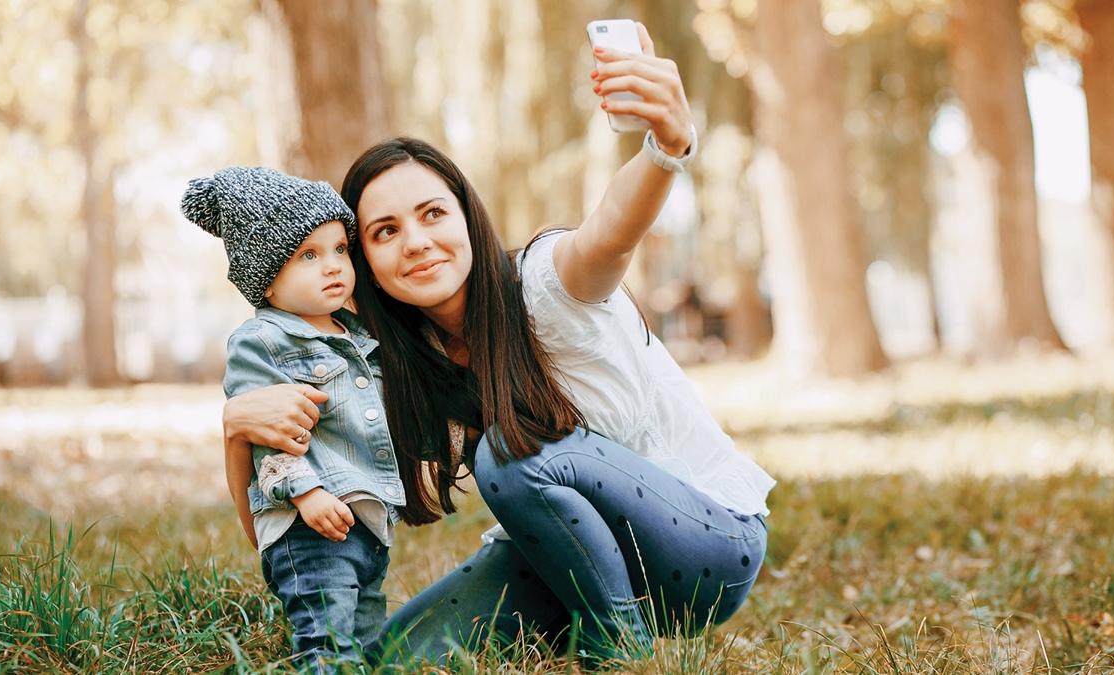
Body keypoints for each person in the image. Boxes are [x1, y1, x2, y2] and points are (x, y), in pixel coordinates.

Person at [221, 23, 775, 666]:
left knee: (512, 455)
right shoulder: (393, 365)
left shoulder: (545, 281)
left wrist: (666, 147)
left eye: (432, 214)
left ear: (466, 216)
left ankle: (620, 651)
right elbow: (273, 517)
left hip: (708, 546)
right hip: (568, 557)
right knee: (392, 658)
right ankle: (597, 616)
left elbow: (608, 235)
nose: (417, 242)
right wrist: (237, 427)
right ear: (366, 261)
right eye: (385, 231)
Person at [182, 167, 404, 668]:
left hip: (365, 523)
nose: (332, 267)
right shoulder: (261, 342)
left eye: (339, 250)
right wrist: (305, 492)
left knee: (365, 642)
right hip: (309, 526)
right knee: (326, 642)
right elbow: (267, 436)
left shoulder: (355, 333)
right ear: (267, 277)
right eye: (308, 255)